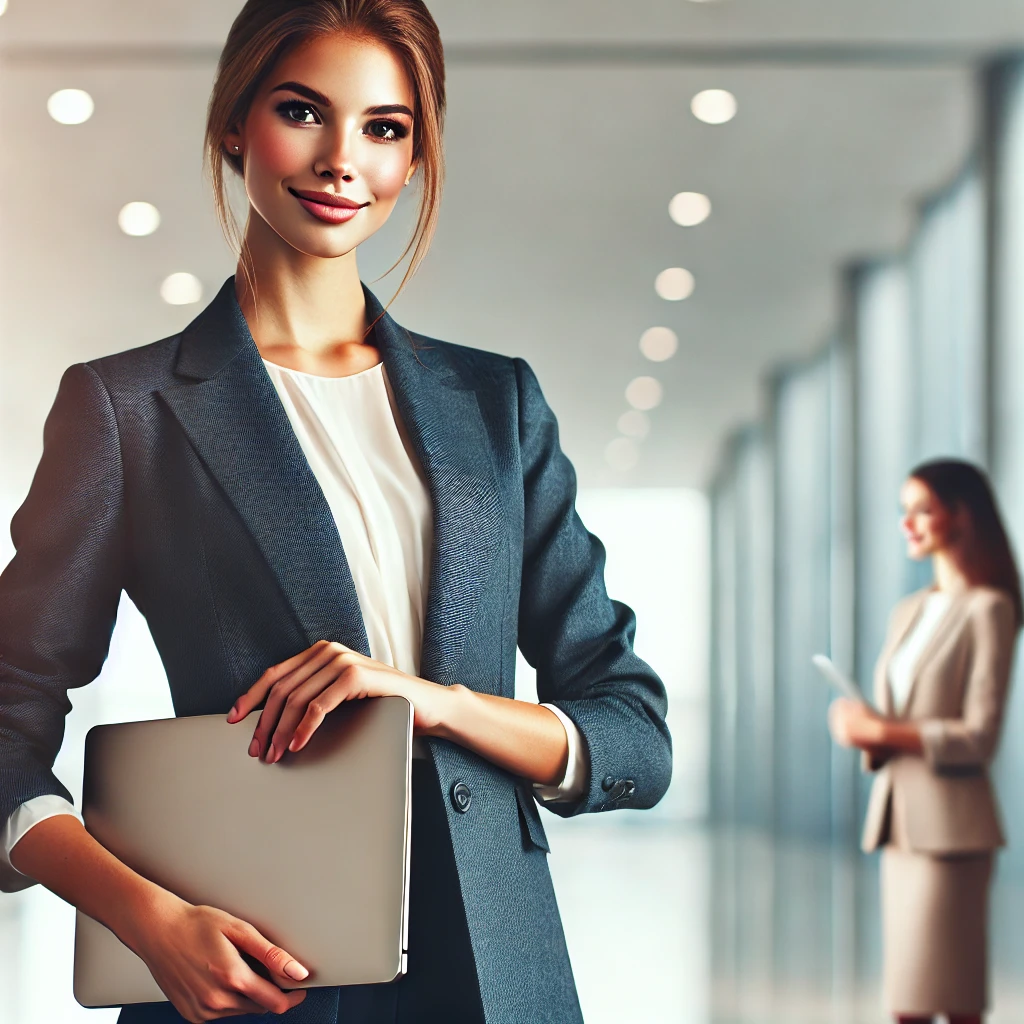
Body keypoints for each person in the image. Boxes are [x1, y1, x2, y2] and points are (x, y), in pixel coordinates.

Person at [0, 2, 673, 1022]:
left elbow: (630, 734)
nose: (341, 160)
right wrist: (143, 918)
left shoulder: (498, 406)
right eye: (303, 112)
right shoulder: (126, 410)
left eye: (385, 127)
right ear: (235, 123)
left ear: (415, 154)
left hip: (495, 969)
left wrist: (431, 700)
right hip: (241, 962)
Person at [828, 458, 1022, 1024]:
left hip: (952, 834)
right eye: (902, 512)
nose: (906, 524)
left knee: (952, 998)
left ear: (961, 516)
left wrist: (883, 731)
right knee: (906, 1001)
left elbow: (978, 736)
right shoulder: (908, 611)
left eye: (920, 510)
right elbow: (903, 718)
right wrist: (868, 734)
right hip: (900, 828)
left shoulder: (990, 609)